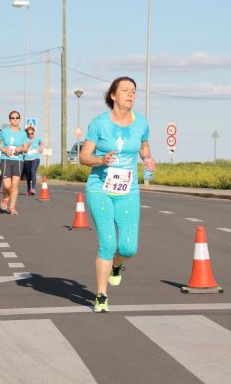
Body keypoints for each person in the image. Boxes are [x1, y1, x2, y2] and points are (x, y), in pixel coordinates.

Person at [79, 76, 156, 313]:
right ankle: (101, 296)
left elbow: (143, 147)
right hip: (100, 188)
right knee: (107, 242)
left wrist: (148, 159)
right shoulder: (99, 123)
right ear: (113, 95)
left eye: (133, 91)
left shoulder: (141, 123)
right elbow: (84, 157)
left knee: (128, 247)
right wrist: (101, 160)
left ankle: (117, 264)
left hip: (128, 190)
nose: (130, 94)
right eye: (125, 90)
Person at [0, 111, 30, 215]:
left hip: (18, 160)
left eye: (17, 118)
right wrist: (5, 150)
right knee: (7, 186)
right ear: (9, 119)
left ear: (19, 119)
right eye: (13, 118)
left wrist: (20, 149)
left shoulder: (23, 133)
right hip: (6, 159)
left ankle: (12, 207)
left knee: (15, 185)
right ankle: (5, 198)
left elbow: (25, 149)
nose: (15, 120)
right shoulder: (4, 131)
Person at [22, 126, 43, 195]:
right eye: (29, 134)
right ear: (27, 134)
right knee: (28, 175)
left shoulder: (37, 139)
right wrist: (28, 145)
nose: (30, 135)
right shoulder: (25, 140)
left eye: (32, 133)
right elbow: (23, 149)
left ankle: (33, 189)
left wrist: (41, 148)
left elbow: (40, 143)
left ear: (34, 133)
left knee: (33, 171)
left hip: (35, 158)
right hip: (27, 159)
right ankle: (28, 187)